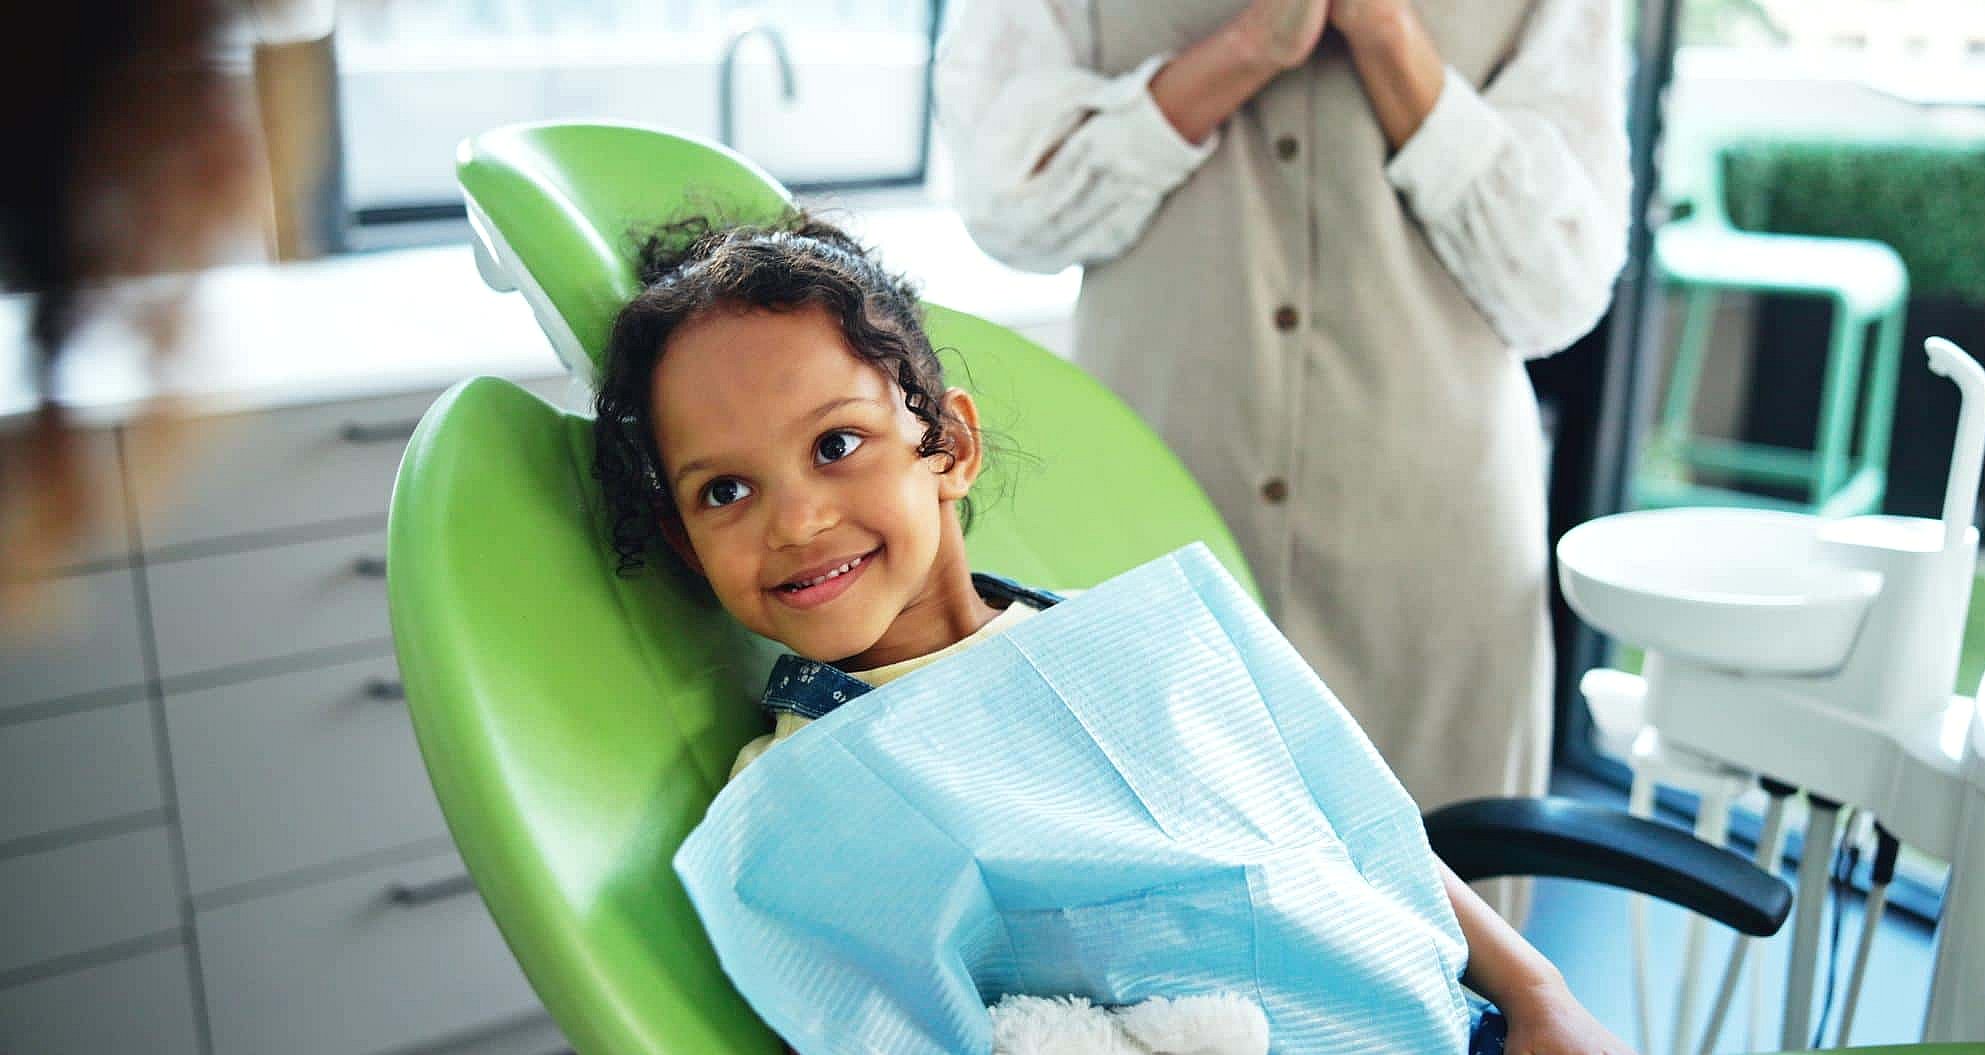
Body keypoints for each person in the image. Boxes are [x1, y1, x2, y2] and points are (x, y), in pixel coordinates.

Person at [590, 212, 1633, 1055]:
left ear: (946, 444)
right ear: (686, 544)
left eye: (836, 442)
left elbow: (1355, 827)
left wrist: (1540, 995)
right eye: (722, 488)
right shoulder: (798, 805)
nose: (793, 519)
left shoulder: (1143, 631)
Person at [935, 0, 1631, 924]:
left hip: (1431, 537)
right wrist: (1250, 47)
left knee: (1440, 933)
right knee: (1146, 932)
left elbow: (1559, 283)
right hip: (1146, 511)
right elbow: (1009, 202)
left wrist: (1387, 35)